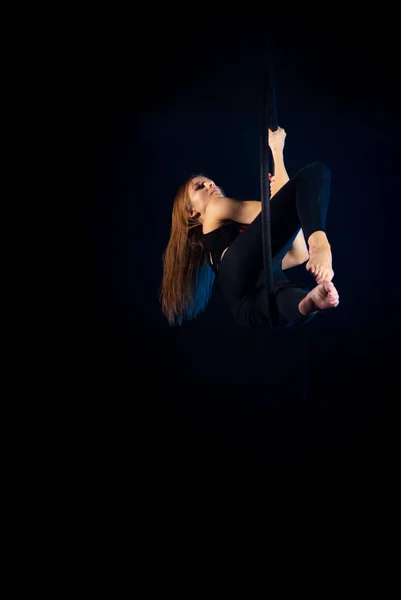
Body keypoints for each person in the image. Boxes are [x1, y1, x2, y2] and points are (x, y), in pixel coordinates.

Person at [159, 126, 339, 329]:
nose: (211, 185)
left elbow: (298, 253)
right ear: (191, 212)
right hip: (238, 272)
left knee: (282, 296)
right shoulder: (215, 209)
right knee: (316, 172)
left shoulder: (246, 238)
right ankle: (320, 243)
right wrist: (277, 150)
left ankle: (308, 303)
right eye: (200, 187)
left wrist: (282, 194)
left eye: (211, 182)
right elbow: (284, 205)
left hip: (245, 307)